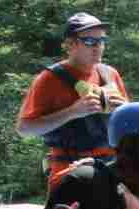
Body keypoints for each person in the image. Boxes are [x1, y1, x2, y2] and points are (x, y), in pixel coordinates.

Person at [17, 13, 131, 191]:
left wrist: (124, 110)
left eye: (102, 41)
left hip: (113, 168)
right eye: (90, 41)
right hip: (70, 171)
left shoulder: (109, 74)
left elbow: (129, 128)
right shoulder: (49, 79)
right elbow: (24, 129)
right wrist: (73, 112)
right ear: (70, 45)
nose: (98, 47)